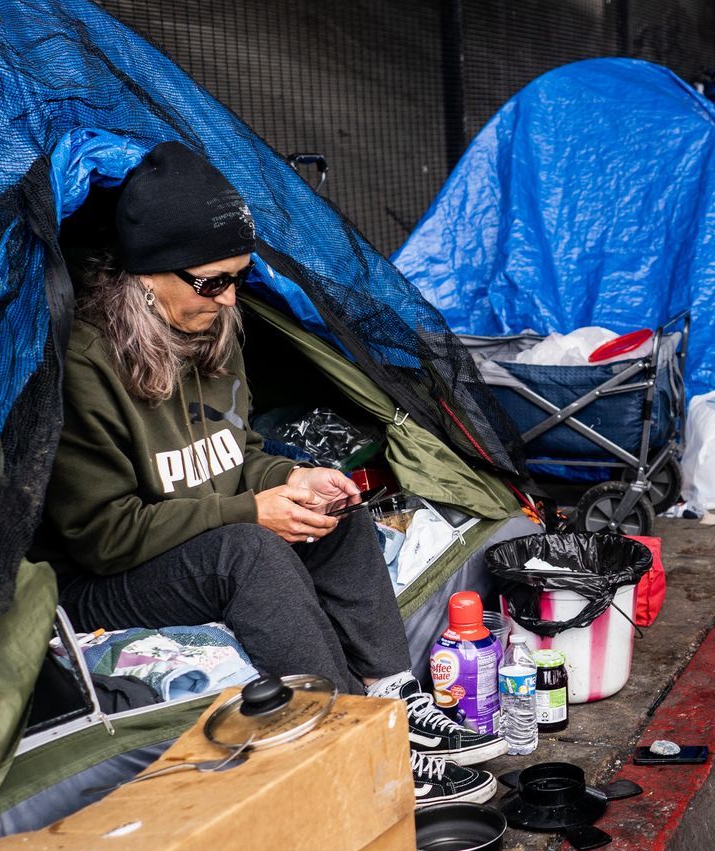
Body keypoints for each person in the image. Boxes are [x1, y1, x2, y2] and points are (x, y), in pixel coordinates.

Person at [32, 142, 500, 803]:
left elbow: (237, 456)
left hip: (189, 540)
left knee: (334, 512)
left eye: (237, 280)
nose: (228, 301)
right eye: (212, 282)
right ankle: (358, 748)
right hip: (101, 581)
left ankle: (395, 701)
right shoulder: (86, 363)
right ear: (150, 275)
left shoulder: (208, 328)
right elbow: (105, 535)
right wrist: (255, 510)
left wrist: (290, 477)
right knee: (250, 553)